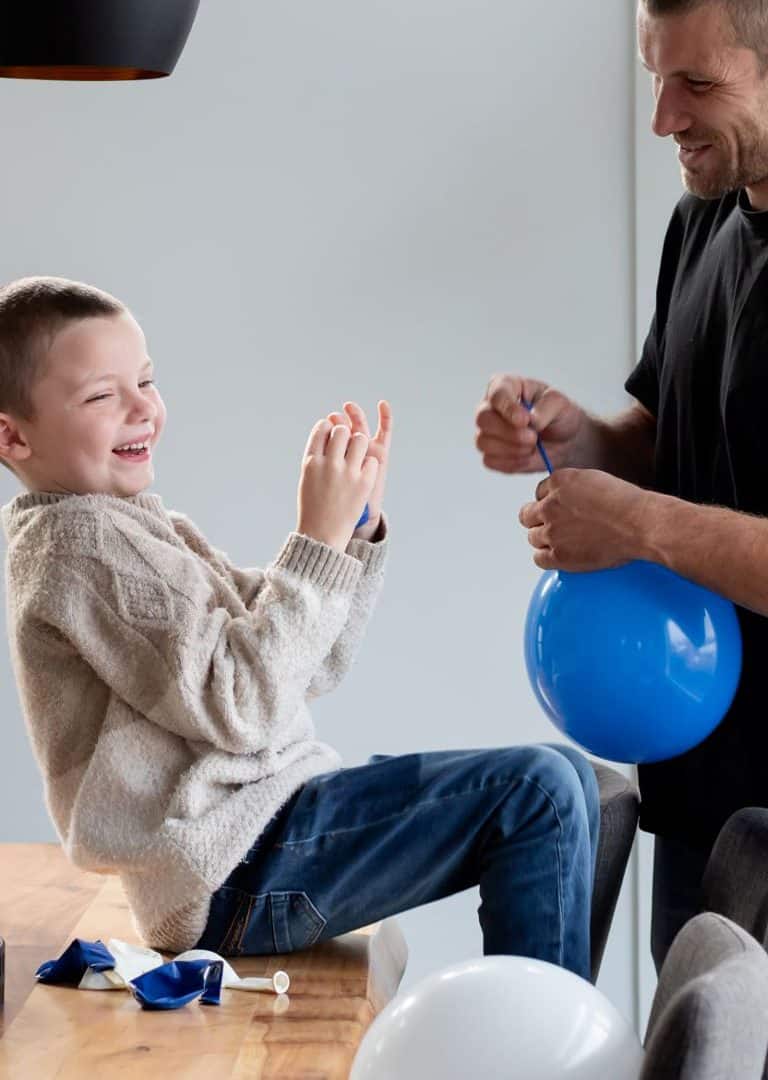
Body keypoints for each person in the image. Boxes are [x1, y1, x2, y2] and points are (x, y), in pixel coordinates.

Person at [0, 276, 599, 978]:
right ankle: (546, 1048)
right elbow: (245, 707)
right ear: (12, 435)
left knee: (577, 781)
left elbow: (301, 667)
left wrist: (349, 536)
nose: (144, 409)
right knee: (537, 791)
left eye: (147, 380)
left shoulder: (130, 529)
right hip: (231, 873)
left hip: (265, 832)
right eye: (103, 396)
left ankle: (561, 1028)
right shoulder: (78, 546)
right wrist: (315, 539)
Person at [475, 0, 768, 976]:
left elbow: (660, 513)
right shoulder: (703, 222)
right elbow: (674, 438)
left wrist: (635, 525)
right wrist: (583, 439)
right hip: (696, 790)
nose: (662, 120)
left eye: (698, 85)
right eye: (656, 78)